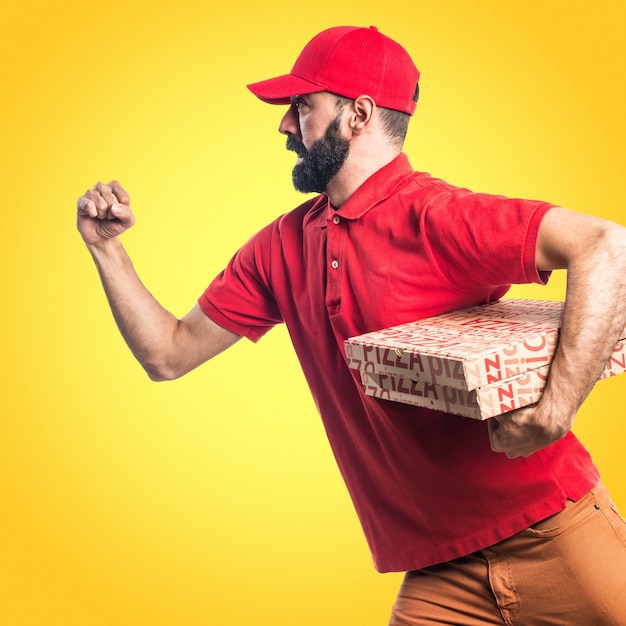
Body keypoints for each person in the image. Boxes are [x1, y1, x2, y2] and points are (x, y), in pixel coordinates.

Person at [77, 25, 626, 625]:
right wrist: (108, 251)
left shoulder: (439, 217)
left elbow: (606, 246)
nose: (286, 126)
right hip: (441, 567)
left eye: (301, 107)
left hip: (554, 528)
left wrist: (557, 409)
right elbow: (168, 353)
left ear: (358, 113)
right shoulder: (280, 247)